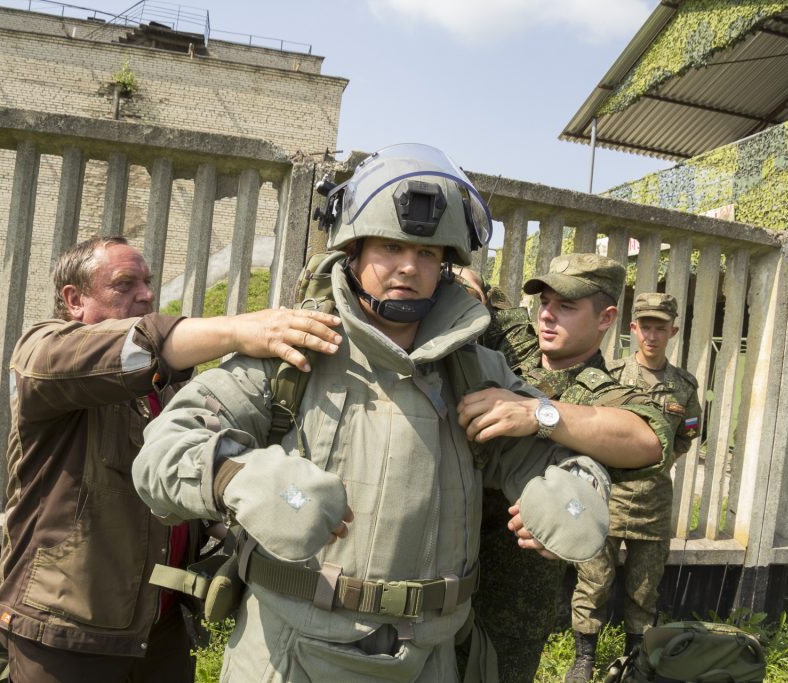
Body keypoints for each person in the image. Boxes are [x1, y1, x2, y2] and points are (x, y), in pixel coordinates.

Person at [131, 144, 615, 682]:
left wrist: (577, 487)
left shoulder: (477, 371)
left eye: (429, 254)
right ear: (354, 253)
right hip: (291, 653)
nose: (410, 266)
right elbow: (163, 451)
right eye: (390, 246)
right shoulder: (295, 352)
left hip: (431, 658)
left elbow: (549, 455)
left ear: (446, 267)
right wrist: (236, 476)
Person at [0, 235, 344, 683]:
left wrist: (265, 512)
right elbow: (143, 344)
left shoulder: (164, 390)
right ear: (74, 299)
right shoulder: (44, 353)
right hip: (63, 632)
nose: (146, 294)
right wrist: (242, 331)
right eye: (125, 283)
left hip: (158, 628)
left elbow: (183, 486)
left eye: (149, 282)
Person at [457, 254, 674, 683]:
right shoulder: (516, 346)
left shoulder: (603, 393)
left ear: (606, 318)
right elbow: (474, 287)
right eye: (545, 302)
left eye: (567, 306)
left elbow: (648, 438)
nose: (548, 315)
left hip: (510, 608)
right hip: (443, 579)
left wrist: (540, 414)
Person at [595, 293, 701, 651]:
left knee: (644, 588)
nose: (652, 336)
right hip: (607, 496)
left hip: (654, 503)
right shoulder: (609, 377)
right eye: (645, 327)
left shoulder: (684, 386)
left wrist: (661, 460)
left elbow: (688, 433)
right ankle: (585, 656)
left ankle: (634, 658)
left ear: (673, 331)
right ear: (633, 328)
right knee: (594, 582)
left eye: (660, 328)